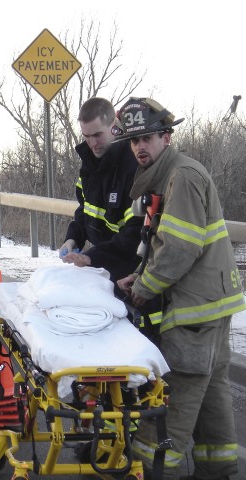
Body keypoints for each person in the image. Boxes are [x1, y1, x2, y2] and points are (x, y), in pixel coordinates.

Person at [114, 97, 245, 480]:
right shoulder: (171, 175)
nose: (140, 147)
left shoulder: (182, 177)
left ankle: (154, 470)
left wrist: (144, 288)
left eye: (148, 138)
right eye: (134, 141)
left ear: (167, 137)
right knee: (212, 395)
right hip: (213, 305)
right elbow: (160, 241)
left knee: (177, 396)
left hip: (194, 311)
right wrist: (139, 274)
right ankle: (217, 468)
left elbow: (179, 247)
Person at [59, 97, 143, 287]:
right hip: (102, 268)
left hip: (131, 272)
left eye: (97, 135)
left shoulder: (133, 166)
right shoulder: (90, 165)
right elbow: (86, 210)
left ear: (114, 126)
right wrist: (73, 239)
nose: (92, 143)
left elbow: (135, 233)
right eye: (86, 136)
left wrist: (92, 258)